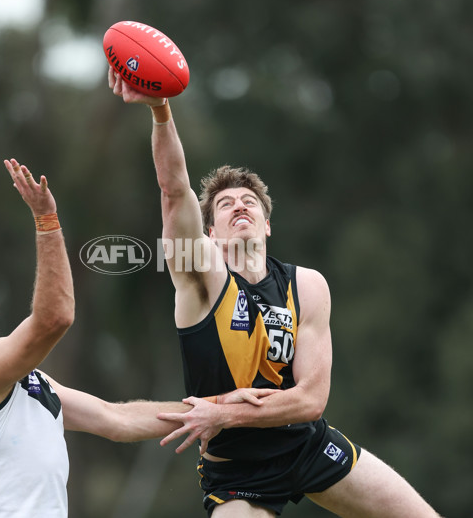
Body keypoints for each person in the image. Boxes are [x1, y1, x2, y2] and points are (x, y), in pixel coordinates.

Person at [108, 68, 442, 518]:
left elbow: (310, 401)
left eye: (249, 201)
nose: (238, 205)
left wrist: (225, 412)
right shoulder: (200, 276)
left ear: (267, 224)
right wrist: (159, 109)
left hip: (307, 446)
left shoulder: (307, 286)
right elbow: (174, 191)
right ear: (209, 232)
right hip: (238, 472)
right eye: (225, 205)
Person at [0, 158, 273, 518]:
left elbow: (116, 419)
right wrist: (46, 220)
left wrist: (217, 408)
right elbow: (54, 318)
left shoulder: (23, 382)